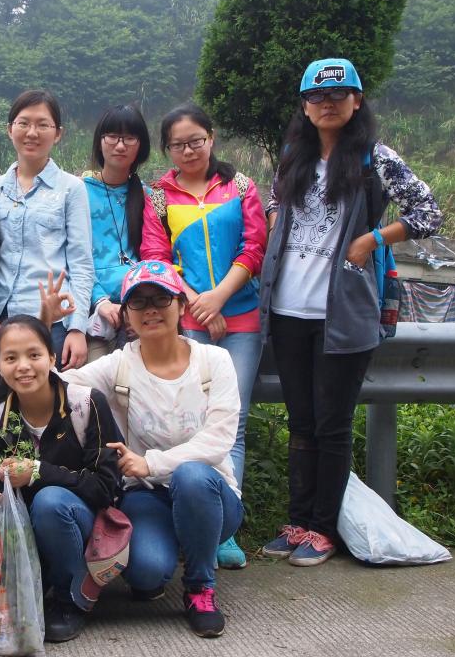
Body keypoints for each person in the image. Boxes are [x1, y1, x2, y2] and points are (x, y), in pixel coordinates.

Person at [259, 58, 442, 566]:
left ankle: (323, 530)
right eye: (316, 96)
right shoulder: (293, 156)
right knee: (301, 423)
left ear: (357, 101)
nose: (327, 103)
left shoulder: (374, 158)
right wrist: (275, 223)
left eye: (338, 94)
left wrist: (372, 238)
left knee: (332, 425)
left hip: (343, 313)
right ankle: (298, 522)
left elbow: (428, 212)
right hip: (288, 309)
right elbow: (274, 202)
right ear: (305, 106)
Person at [57, 260, 243, 638]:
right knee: (146, 574)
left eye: (161, 299)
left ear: (181, 306)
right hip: (148, 495)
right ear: (126, 314)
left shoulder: (214, 361)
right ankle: (174, 546)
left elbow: (219, 439)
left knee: (191, 476)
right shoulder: (120, 365)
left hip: (211, 495)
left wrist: (151, 463)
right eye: (138, 302)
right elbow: (59, 385)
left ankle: (200, 586)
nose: (151, 309)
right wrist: (42, 327)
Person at [139, 102, 266, 569]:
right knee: (191, 420)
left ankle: (224, 531)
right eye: (178, 144)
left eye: (196, 141)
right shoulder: (158, 196)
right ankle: (189, 517)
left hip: (242, 316)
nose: (189, 150)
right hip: (189, 318)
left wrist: (220, 297)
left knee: (234, 423)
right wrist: (198, 303)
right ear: (167, 149)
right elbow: (156, 257)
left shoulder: (241, 187)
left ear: (211, 139)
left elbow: (255, 246)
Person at [0, 314, 120, 643]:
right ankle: (37, 582)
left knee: (50, 501)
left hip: (85, 522)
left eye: (34, 355)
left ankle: (70, 598)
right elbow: (3, 495)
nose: (23, 366)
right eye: (10, 358)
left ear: (51, 358)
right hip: (31, 530)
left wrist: (37, 471)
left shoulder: (86, 403)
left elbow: (106, 488)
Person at [0, 90, 94, 369]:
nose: (32, 132)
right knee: (2, 396)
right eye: (24, 123)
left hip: (55, 320)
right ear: (10, 129)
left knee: (54, 394)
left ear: (58, 134)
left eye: (43, 124)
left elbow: (81, 262)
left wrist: (77, 328)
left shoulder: (72, 189)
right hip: (2, 319)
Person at [82, 104, 152, 360]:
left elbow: (154, 256)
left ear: (140, 145)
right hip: (94, 308)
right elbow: (74, 257)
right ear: (100, 141)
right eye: (112, 136)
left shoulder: (147, 196)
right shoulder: (79, 192)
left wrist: (138, 305)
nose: (120, 145)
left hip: (139, 306)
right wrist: (100, 301)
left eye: (129, 138)